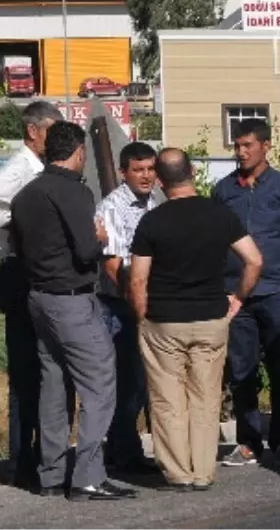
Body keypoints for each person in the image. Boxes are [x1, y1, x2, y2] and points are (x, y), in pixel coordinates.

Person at [11, 121, 136, 502]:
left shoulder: (25, 195)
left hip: (37, 298)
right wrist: (99, 238)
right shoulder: (75, 193)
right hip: (71, 298)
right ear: (79, 152)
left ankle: (51, 474)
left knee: (53, 384)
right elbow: (86, 250)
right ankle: (88, 476)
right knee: (100, 382)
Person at [128, 149, 264, 492]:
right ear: (192, 172)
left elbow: (138, 279)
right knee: (205, 397)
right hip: (211, 317)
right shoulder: (221, 215)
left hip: (164, 320)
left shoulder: (152, 221)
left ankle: (178, 473)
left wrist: (142, 317)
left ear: (159, 180)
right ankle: (203, 472)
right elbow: (254, 261)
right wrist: (238, 299)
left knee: (167, 399)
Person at [0, 100, 63, 490]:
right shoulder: (21, 168)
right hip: (18, 270)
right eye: (51, 130)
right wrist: (21, 226)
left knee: (48, 369)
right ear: (33, 131)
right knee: (26, 372)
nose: (56, 138)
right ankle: (23, 460)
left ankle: (41, 455)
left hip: (35, 269)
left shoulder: (42, 169)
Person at [213, 119, 280, 467]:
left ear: (266, 146)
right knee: (241, 368)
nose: (241, 152)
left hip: (275, 289)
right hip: (236, 293)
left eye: (248, 145)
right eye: (237, 146)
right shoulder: (224, 190)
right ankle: (249, 441)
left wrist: (278, 255)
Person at [95, 141, 161, 475]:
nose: (146, 176)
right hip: (121, 306)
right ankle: (123, 452)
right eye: (138, 170)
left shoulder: (155, 202)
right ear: (124, 173)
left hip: (149, 302)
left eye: (150, 169)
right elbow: (112, 264)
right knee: (128, 381)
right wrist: (133, 302)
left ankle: (131, 449)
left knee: (144, 380)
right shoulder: (113, 207)